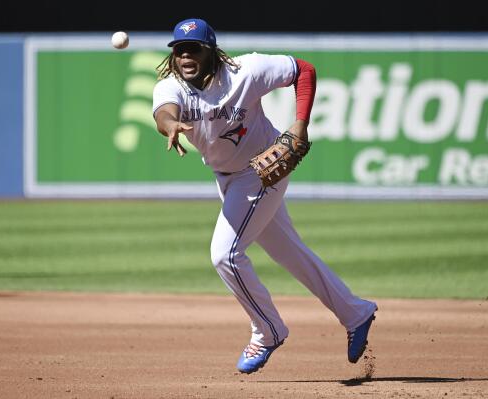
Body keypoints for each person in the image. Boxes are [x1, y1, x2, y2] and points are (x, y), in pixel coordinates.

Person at [152, 18, 378, 374]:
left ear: (210, 51)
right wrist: (170, 125)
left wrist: (300, 123)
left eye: (193, 48)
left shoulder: (246, 70)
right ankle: (356, 312)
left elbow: (303, 70)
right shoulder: (172, 86)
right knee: (291, 254)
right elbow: (164, 113)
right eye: (179, 49)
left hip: (262, 170)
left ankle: (268, 330)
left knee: (225, 255)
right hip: (226, 178)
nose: (185, 56)